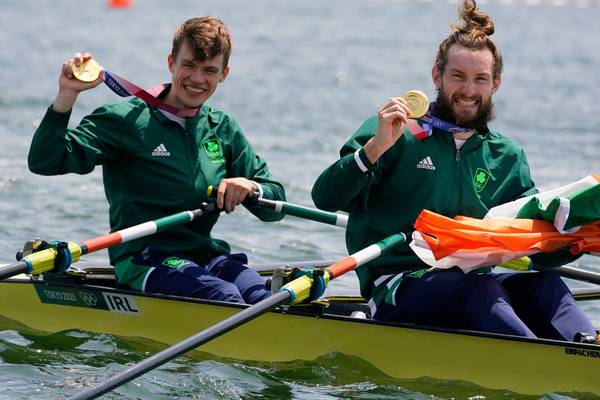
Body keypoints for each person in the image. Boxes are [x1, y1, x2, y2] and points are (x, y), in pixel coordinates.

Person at [311, 0, 597, 342]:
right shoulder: (395, 132)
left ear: (496, 84)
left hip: (475, 283)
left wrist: (580, 237)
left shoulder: (506, 156)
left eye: (481, 79)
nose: (469, 91)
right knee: (482, 288)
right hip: (401, 283)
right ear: (437, 76)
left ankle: (585, 351)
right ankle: (540, 361)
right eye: (458, 77)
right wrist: (375, 147)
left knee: (545, 285)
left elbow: (533, 242)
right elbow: (325, 197)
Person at [28, 16, 285, 304]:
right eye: (189, 65)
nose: (198, 79)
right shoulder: (125, 120)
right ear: (171, 62)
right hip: (146, 257)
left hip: (207, 256)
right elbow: (45, 162)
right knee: (223, 295)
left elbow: (275, 208)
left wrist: (251, 187)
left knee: (264, 297)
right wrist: (67, 95)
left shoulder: (222, 128)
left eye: (209, 70)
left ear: (224, 73)